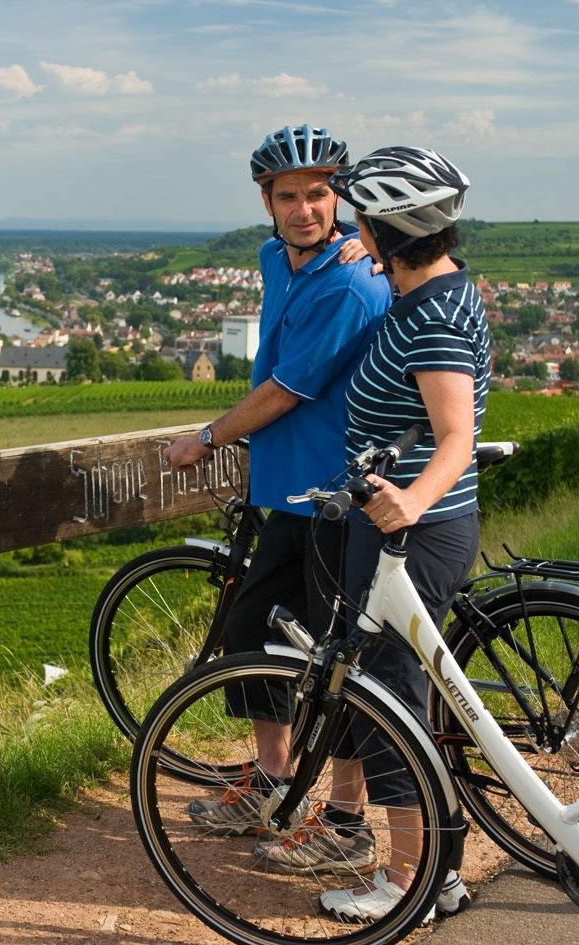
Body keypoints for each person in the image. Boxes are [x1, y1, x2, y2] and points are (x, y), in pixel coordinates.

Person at [265, 145, 489, 923]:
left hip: (410, 534)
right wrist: (382, 252)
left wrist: (411, 500)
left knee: (389, 700)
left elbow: (455, 432)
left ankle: (408, 882)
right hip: (416, 527)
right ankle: (435, 870)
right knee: (395, 694)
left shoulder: (430, 321)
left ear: (388, 230)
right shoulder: (441, 289)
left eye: (363, 219)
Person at [162, 125, 390, 831]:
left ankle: (347, 820)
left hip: (337, 494)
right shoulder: (273, 257)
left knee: (337, 661)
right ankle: (271, 783)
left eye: (319, 195)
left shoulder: (354, 280)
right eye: (288, 196)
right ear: (266, 202)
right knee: (252, 633)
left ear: (340, 198)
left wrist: (207, 436)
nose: (304, 210)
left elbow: (288, 388)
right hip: (287, 487)